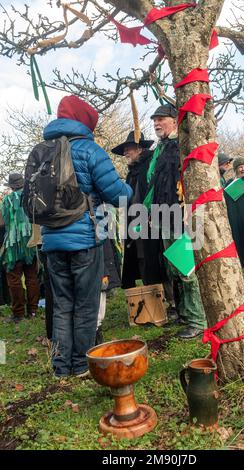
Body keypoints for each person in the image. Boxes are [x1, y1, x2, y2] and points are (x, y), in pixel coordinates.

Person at [39, 95, 133, 378]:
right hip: (84, 239)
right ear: (84, 122)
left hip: (52, 241)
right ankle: (81, 364)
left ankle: (60, 366)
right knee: (85, 304)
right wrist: (128, 188)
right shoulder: (89, 150)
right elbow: (118, 196)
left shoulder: (43, 150)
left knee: (62, 303)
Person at [144, 104, 207, 339]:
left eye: (161, 119)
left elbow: (193, 179)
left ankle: (198, 319)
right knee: (173, 268)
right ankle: (182, 313)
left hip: (184, 216)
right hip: (164, 217)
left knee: (187, 269)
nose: (157, 124)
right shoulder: (160, 150)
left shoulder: (183, 145)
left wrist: (191, 211)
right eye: (154, 121)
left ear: (174, 120)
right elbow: (156, 186)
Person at [111, 131, 166, 288]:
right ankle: (151, 300)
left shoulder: (151, 165)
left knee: (156, 261)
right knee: (142, 260)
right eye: (124, 150)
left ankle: (167, 301)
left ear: (140, 149)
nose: (125, 153)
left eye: (129, 148)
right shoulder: (132, 171)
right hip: (136, 224)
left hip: (152, 222)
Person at [0, 173, 39, 322]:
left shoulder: (6, 201)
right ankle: (33, 311)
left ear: (11, 186)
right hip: (31, 243)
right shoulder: (32, 198)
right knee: (31, 277)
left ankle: (18, 314)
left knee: (14, 279)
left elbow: (1, 224)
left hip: (13, 247)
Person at [224, 157, 244, 268]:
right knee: (240, 240)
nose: (243, 169)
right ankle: (242, 263)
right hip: (237, 218)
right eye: (240, 167)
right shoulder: (231, 183)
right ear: (236, 170)